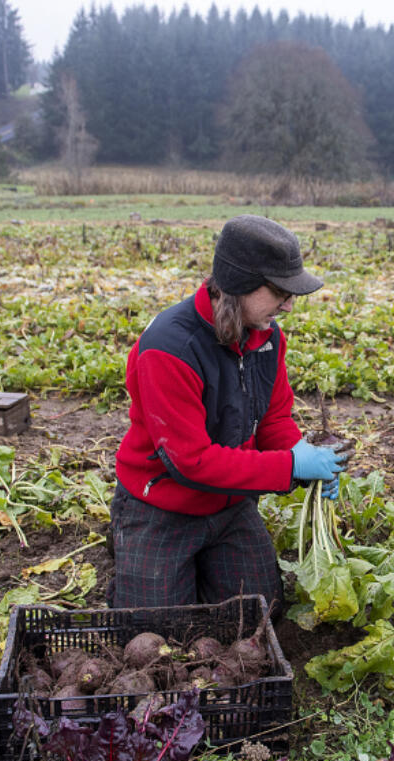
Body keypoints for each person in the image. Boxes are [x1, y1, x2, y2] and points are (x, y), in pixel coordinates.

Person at [110, 214, 347, 612]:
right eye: (279, 292)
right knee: (153, 628)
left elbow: (273, 419)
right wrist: (288, 467)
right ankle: (135, 549)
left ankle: (197, 567)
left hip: (230, 503)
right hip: (161, 504)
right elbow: (191, 462)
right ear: (239, 285)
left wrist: (304, 459)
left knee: (261, 611)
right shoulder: (169, 348)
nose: (288, 305)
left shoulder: (267, 337)